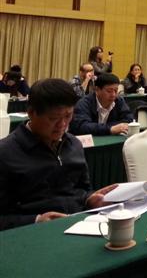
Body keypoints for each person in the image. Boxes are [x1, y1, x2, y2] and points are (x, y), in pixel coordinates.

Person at [0, 79, 117, 231]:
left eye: (68, 116)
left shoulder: (74, 144)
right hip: (32, 234)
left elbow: (82, 189)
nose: (62, 125)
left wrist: (90, 199)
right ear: (31, 113)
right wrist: (36, 220)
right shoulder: (6, 153)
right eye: (53, 118)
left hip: (80, 227)